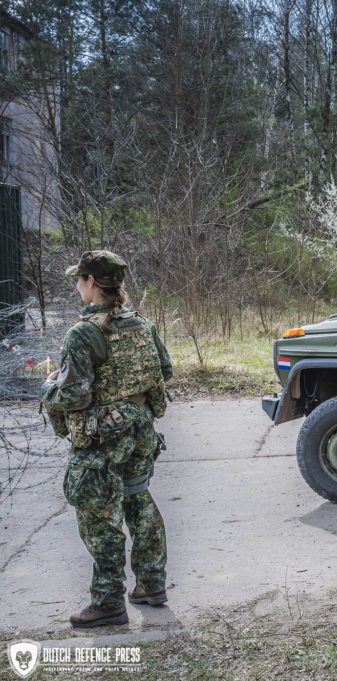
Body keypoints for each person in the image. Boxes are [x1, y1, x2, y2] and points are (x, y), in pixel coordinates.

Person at [42, 250, 173, 628]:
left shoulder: (84, 332)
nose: (76, 285)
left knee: (99, 517)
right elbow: (164, 370)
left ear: (92, 282)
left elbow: (75, 396)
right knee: (137, 499)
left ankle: (108, 601)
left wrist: (48, 387)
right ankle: (151, 584)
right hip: (140, 431)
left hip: (102, 438)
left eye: (79, 279)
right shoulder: (141, 324)